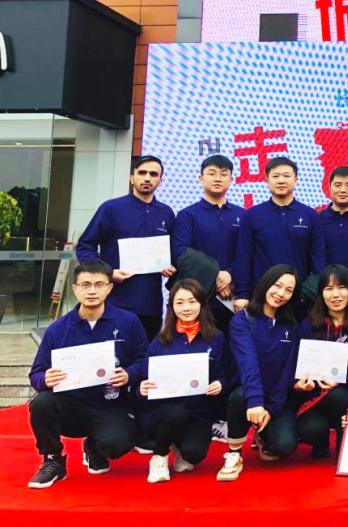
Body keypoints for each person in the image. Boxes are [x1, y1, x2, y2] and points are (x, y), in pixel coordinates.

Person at [27, 260, 148, 488]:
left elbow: (145, 359)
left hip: (111, 404)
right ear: (75, 289)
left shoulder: (128, 322)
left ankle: (94, 446)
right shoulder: (57, 330)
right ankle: (53, 460)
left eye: (99, 284)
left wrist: (129, 374)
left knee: (117, 444)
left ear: (109, 288)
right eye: (85, 285)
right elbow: (36, 373)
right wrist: (45, 379)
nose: (92, 291)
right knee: (41, 402)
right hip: (72, 406)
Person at [76, 155, 176, 338]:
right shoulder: (111, 208)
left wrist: (169, 266)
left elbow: (172, 252)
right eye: (142, 173)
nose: (147, 178)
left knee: (145, 353)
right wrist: (107, 273)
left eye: (153, 174)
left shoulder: (166, 213)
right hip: (113, 302)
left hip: (151, 305)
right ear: (132, 177)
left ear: (160, 181)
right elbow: (85, 246)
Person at [217, 265, 300, 481]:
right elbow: (248, 363)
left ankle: (262, 435)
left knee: (284, 446)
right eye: (277, 285)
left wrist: (271, 409)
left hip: (275, 399)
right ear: (266, 284)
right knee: (239, 396)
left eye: (289, 290)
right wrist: (255, 401)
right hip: (248, 395)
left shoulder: (291, 326)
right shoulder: (242, 320)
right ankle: (234, 453)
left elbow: (287, 371)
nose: (281, 293)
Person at [139, 278, 226, 483]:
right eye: (180, 302)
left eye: (192, 301)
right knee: (176, 413)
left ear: (202, 304)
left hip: (198, 413)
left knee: (194, 454)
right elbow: (144, 377)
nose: (186, 308)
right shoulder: (161, 339)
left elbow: (224, 373)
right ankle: (160, 456)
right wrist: (142, 387)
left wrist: (220, 384)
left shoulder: (216, 338)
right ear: (172, 306)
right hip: (164, 412)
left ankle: (178, 445)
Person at [292, 265, 348, 458]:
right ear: (321, 293)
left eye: (341, 287)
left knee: (339, 397)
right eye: (329, 289)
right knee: (310, 430)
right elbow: (296, 362)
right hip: (314, 394)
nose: (335, 295)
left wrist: (342, 379)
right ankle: (320, 442)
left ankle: (343, 441)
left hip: (346, 392)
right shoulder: (308, 325)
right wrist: (300, 383)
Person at [233, 157, 326, 315]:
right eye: (275, 176)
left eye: (286, 176)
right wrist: (242, 294)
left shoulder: (311, 216)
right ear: (267, 181)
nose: (281, 180)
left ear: (296, 180)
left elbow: (318, 257)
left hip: (298, 299)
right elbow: (244, 256)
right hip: (261, 297)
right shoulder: (252, 215)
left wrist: (313, 292)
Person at [171, 154, 245, 333]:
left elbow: (247, 253)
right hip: (196, 297)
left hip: (232, 295)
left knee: (233, 344)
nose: (218, 178)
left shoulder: (243, 215)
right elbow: (180, 252)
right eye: (212, 173)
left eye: (223, 174)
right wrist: (216, 275)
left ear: (231, 179)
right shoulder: (187, 215)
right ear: (201, 178)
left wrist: (229, 275)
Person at [318, 166, 348, 296]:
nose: (343, 190)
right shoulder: (317, 219)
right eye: (338, 185)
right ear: (330, 187)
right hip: (325, 291)